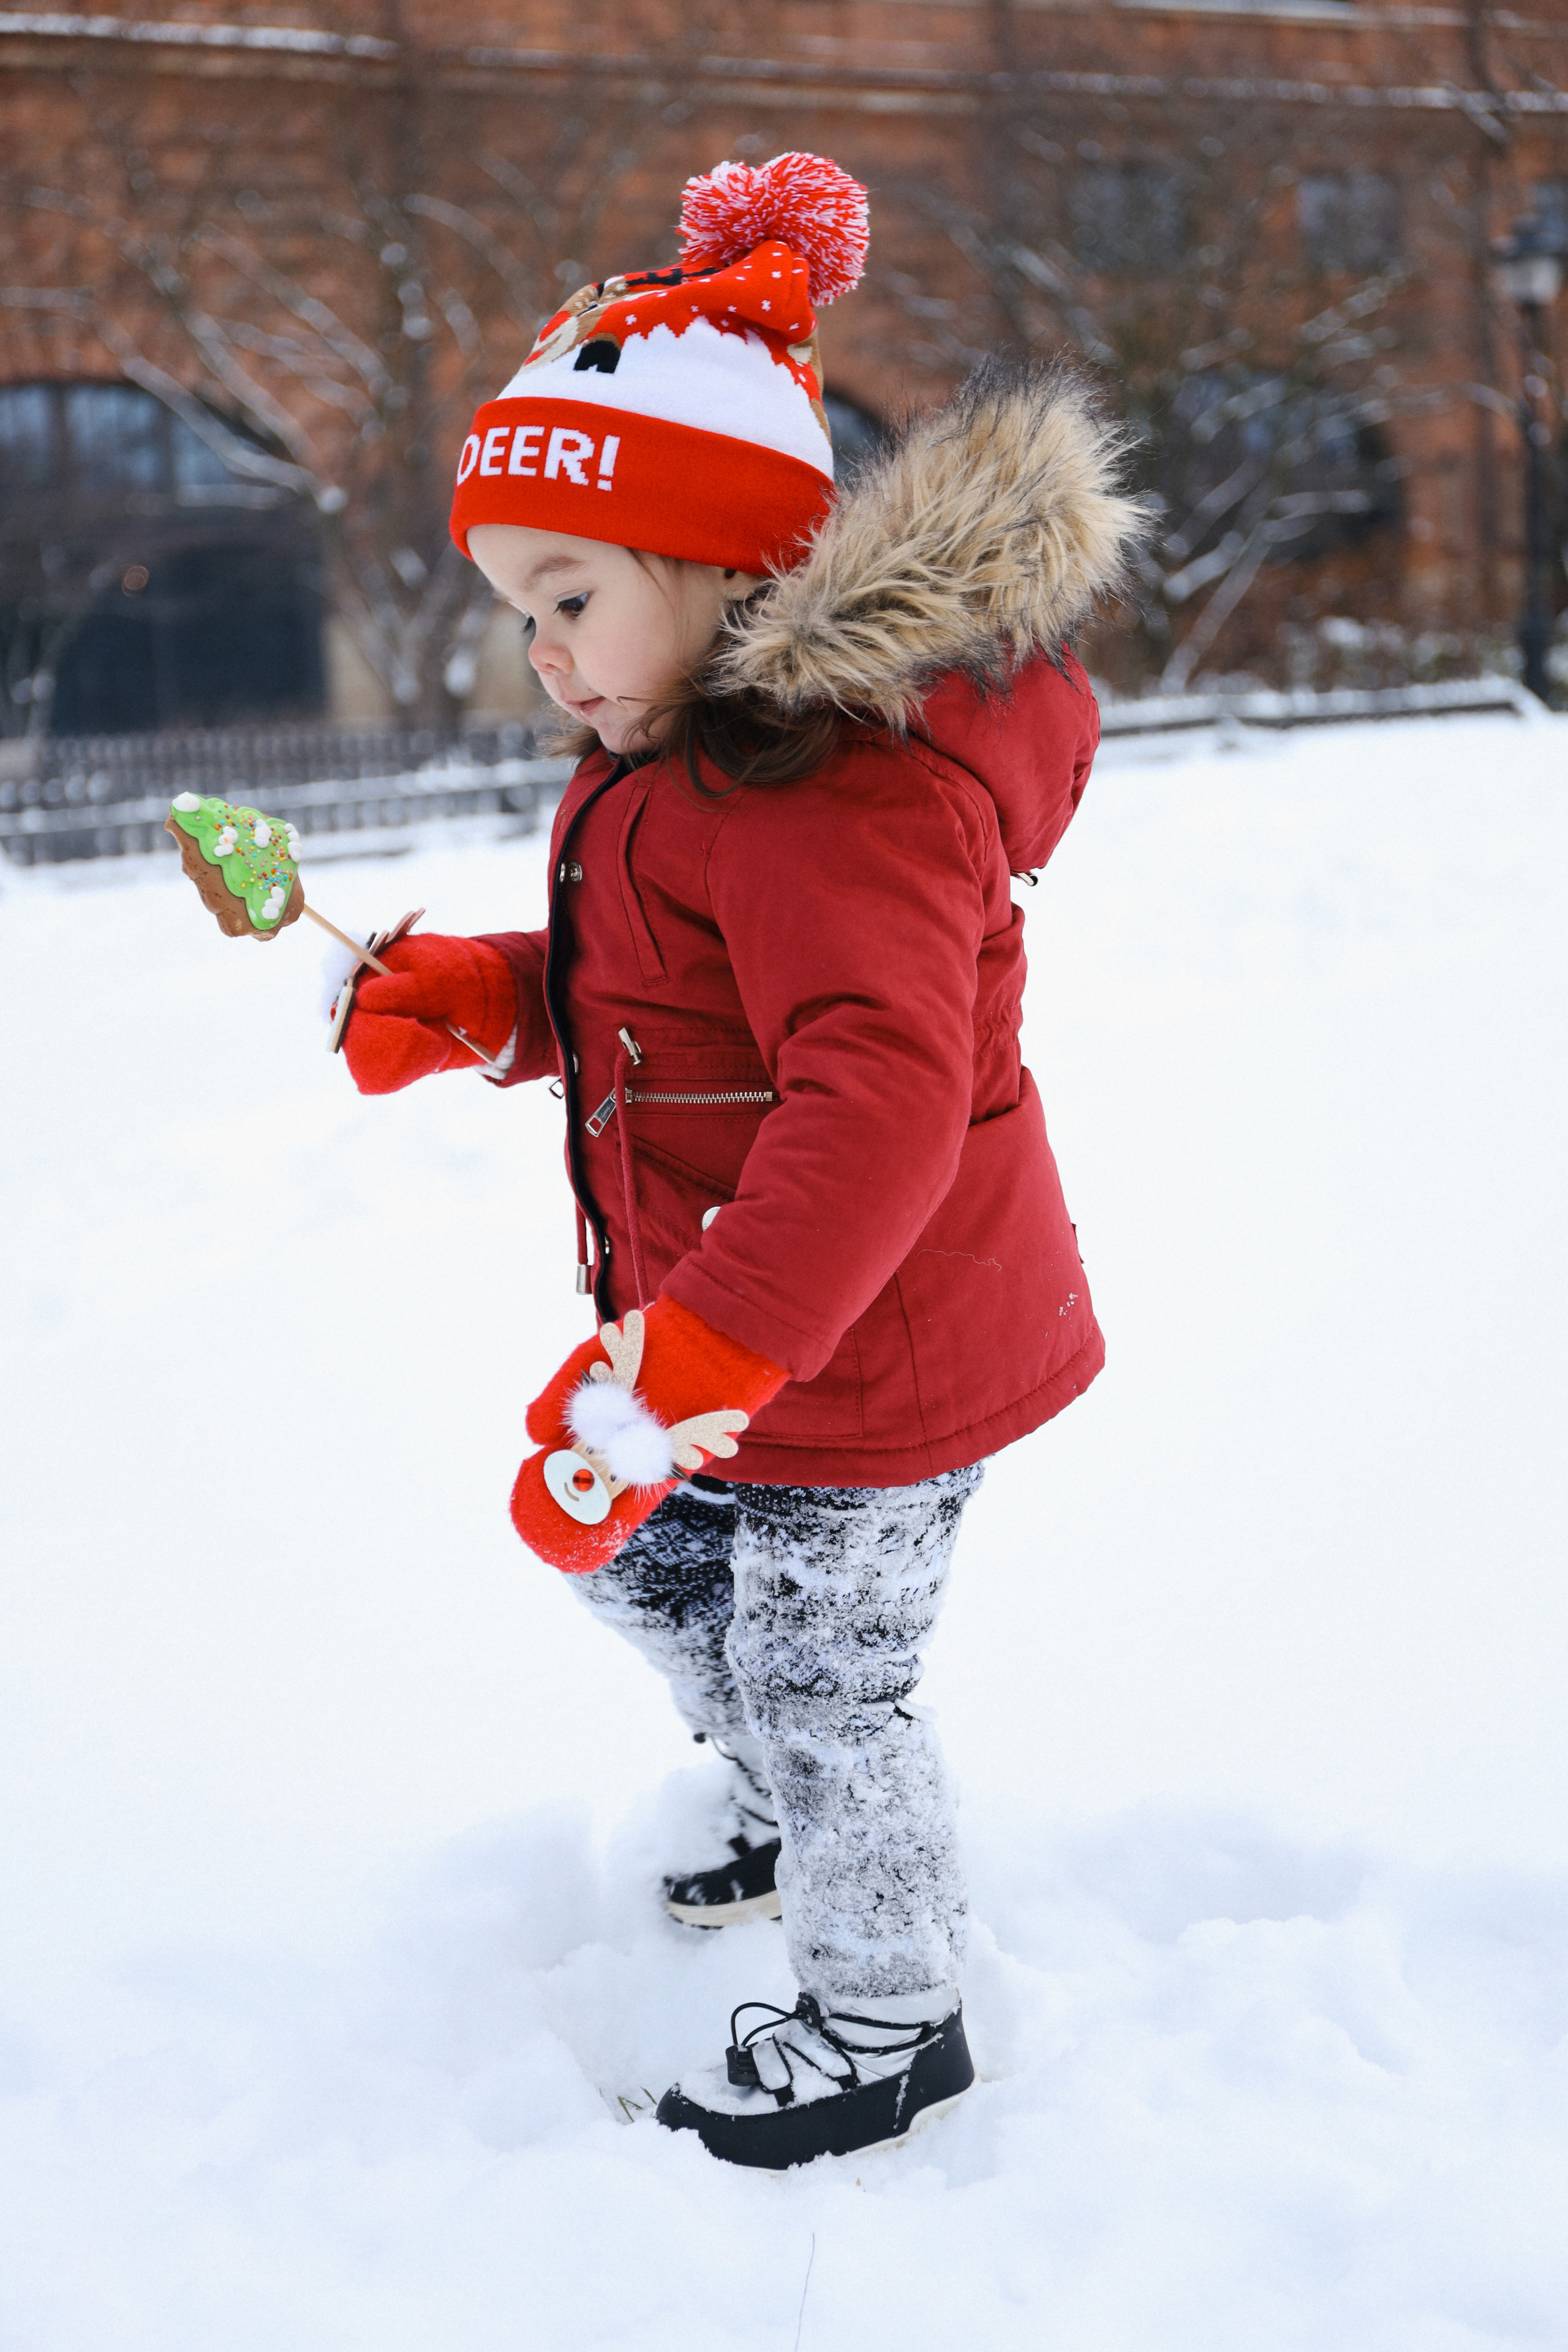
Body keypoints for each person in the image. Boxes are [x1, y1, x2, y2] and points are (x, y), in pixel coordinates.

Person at [340, 152, 1141, 2169]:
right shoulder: (684, 775)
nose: (540, 651)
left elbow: (871, 1098)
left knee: (822, 1667)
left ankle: (890, 2014)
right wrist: (488, 998)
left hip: (874, 1352)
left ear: (715, 565)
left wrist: (685, 1370)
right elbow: (660, 998)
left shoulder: (837, 802)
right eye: (522, 612)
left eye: (570, 597)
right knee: (638, 1549)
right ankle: (785, 1798)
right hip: (747, 1340)